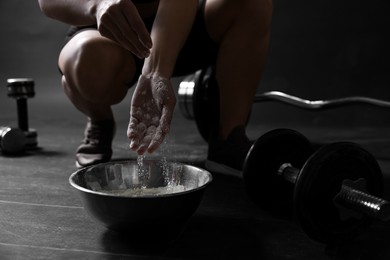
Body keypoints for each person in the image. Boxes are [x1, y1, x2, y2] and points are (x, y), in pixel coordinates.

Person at [37, 0, 273, 177]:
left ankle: (228, 138)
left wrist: (156, 72)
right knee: (85, 60)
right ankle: (100, 120)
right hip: (107, 31)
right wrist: (97, 4)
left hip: (177, 24)